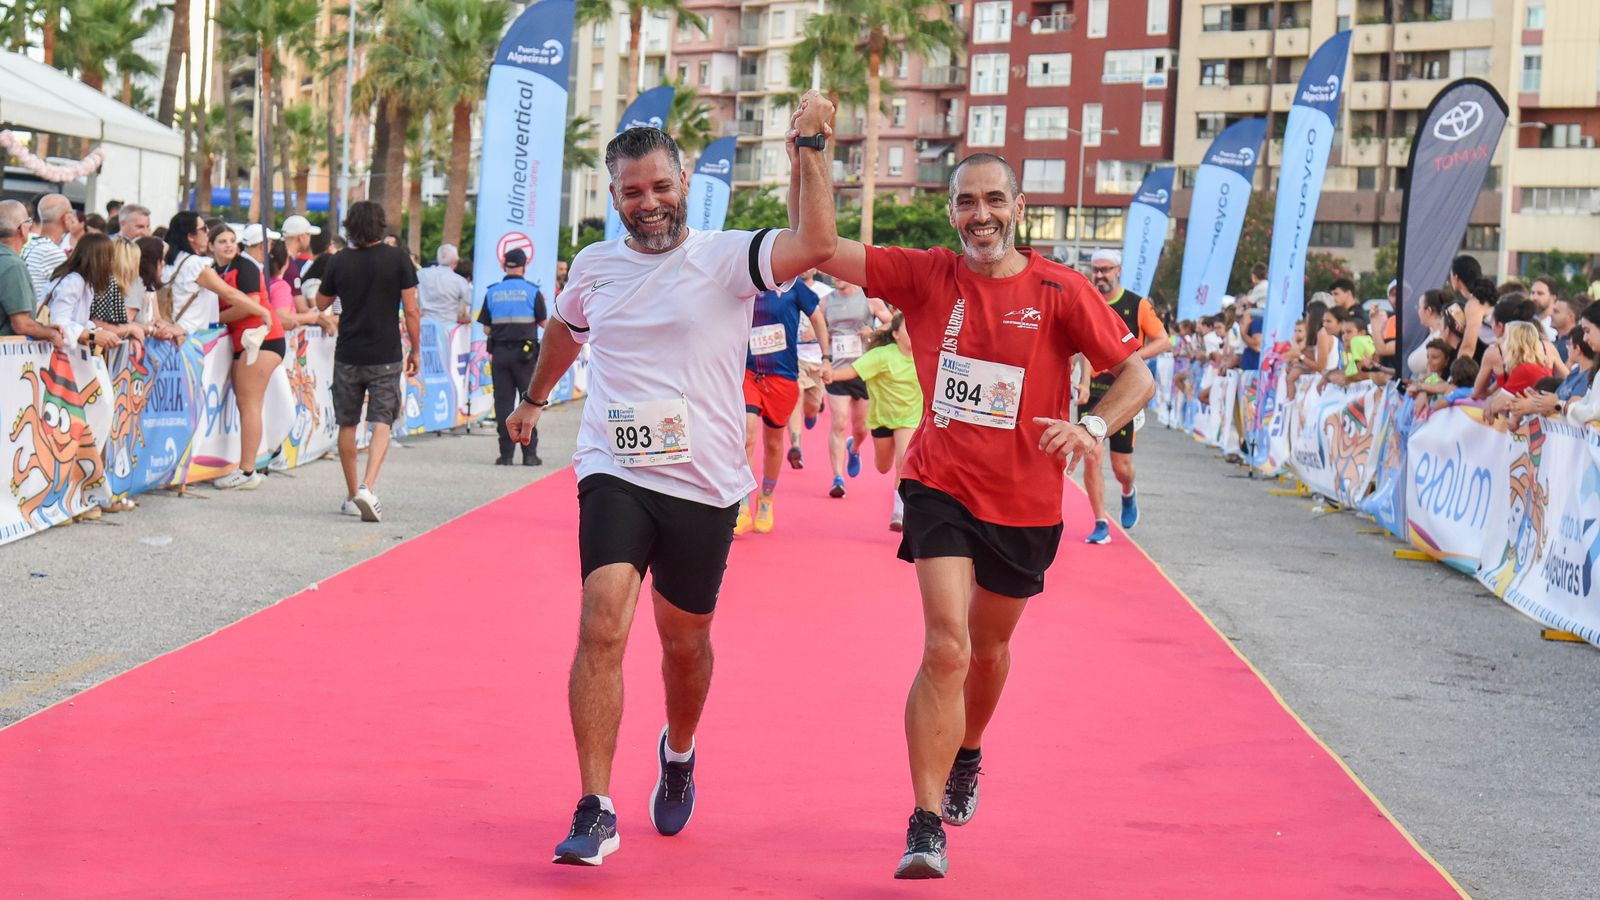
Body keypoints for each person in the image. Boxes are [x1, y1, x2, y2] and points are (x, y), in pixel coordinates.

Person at [502, 104, 837, 867]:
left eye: (659, 186)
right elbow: (564, 330)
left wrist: (811, 149)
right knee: (601, 622)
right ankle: (595, 806)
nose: (647, 202)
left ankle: (678, 751)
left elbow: (817, 243)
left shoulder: (728, 256)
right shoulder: (594, 266)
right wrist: (533, 399)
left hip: (705, 483)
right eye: (631, 191)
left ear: (685, 182)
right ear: (613, 196)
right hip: (616, 469)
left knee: (685, 645)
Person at [807, 148, 1153, 879]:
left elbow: (1136, 375)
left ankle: (968, 750)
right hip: (941, 485)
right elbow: (820, 246)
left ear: (1018, 209)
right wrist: (810, 152)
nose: (981, 214)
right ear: (951, 212)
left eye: (995, 200)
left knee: (988, 652)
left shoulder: (1060, 289)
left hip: (1025, 504)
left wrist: (1091, 427)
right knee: (946, 647)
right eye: (967, 201)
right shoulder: (929, 274)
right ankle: (925, 820)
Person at [315, 201, 421, 522]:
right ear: (380, 225)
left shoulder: (339, 260)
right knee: (382, 420)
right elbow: (411, 309)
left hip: (348, 352)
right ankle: (368, 486)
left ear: (350, 226)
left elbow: (321, 302)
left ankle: (351, 495)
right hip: (386, 352)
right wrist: (415, 350)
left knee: (347, 422)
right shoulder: (398, 258)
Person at [1080, 247, 1167, 544]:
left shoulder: (1136, 304)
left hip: (1125, 392)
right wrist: (1083, 383)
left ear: (1118, 271)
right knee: (1091, 456)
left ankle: (1128, 491)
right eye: (1096, 270)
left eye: (1106, 270)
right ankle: (1100, 521)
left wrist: (1132, 360)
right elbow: (1083, 347)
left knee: (1121, 467)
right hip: (1094, 392)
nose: (1100, 275)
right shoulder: (1086, 301)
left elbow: (1163, 340)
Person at [736, 275, 831, 534]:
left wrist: (826, 357)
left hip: (782, 375)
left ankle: (766, 497)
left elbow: (817, 318)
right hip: (750, 373)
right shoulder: (748, 281)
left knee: (774, 443)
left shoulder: (793, 285)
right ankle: (742, 504)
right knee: (747, 436)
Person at [825, 311, 923, 530]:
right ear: (896, 334)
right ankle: (853, 446)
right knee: (883, 466)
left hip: (910, 418)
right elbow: (853, 371)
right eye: (908, 328)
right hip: (882, 419)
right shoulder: (882, 356)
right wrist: (830, 374)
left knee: (903, 461)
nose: (914, 332)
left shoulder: (924, 354)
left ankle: (899, 511)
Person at [210, 223, 284, 490]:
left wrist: (213, 318)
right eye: (222, 241)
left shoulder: (245, 266)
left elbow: (249, 305)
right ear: (211, 246)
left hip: (262, 338)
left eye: (232, 240)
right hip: (247, 340)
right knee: (248, 403)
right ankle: (249, 466)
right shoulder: (215, 269)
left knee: (249, 403)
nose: (229, 245)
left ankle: (247, 470)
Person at [820, 277, 890, 498]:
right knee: (839, 423)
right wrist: (824, 356)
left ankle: (855, 447)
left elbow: (893, 324)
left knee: (860, 429)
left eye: (840, 275)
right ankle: (837, 478)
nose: (836, 278)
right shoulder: (825, 302)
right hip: (837, 370)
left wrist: (873, 332)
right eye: (833, 275)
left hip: (863, 370)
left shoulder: (870, 299)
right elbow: (820, 331)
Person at [477, 246, 547, 465]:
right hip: (525, 356)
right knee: (529, 401)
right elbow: (544, 323)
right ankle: (530, 455)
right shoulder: (532, 291)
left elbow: (486, 328)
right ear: (524, 266)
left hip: (500, 354)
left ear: (504, 265)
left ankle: (505, 455)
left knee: (503, 403)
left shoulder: (492, 292)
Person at [159, 211, 264, 343]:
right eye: (203, 229)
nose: (207, 232)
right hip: (190, 335)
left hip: (170, 332)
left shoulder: (169, 262)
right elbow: (229, 294)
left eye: (232, 241)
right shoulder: (195, 265)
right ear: (191, 236)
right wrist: (263, 312)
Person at [0, 200, 66, 347]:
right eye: (28, 222)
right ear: (22, 229)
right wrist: (52, 334)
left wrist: (41, 329)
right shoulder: (13, 265)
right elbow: (21, 324)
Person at [22, 194, 71, 304]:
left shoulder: (32, 243)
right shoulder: (52, 252)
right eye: (71, 213)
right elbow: (64, 297)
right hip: (39, 314)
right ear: (66, 218)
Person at [417, 243, 472, 325]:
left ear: (437, 258)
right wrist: (469, 318)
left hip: (424, 325)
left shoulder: (421, 274)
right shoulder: (459, 281)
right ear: (456, 261)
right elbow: (471, 301)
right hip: (449, 326)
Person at [281, 214, 320, 294]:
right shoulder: (288, 264)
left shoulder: (278, 259)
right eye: (308, 234)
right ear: (301, 237)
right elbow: (297, 300)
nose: (310, 238)